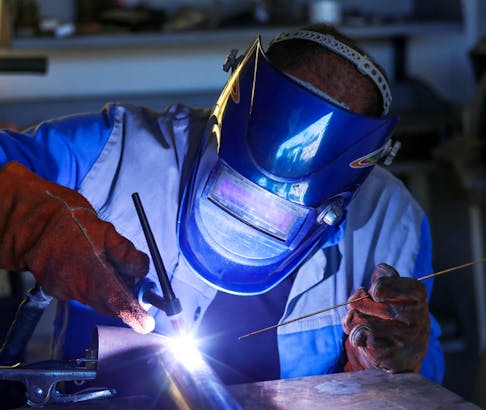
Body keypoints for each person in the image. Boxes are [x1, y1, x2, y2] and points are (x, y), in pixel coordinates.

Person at [0, 23, 444, 385]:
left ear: (334, 201)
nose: (248, 220)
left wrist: (394, 365)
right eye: (235, 191)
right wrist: (31, 218)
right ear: (224, 127)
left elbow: (422, 408)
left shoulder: (392, 225)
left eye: (277, 214)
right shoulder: (112, 154)